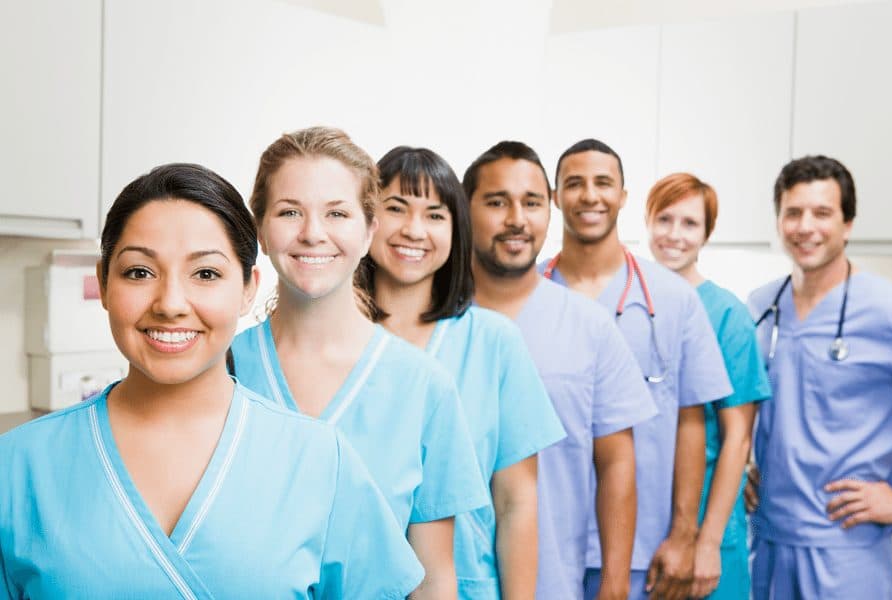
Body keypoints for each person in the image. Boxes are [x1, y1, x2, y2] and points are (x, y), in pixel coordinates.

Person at [0, 163, 424, 598]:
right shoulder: (17, 467)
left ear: (247, 289)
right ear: (104, 284)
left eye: (205, 274)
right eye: (139, 272)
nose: (170, 303)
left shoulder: (320, 462)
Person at [230, 127, 488, 598]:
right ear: (261, 230)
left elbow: (433, 579)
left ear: (369, 231)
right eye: (290, 212)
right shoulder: (223, 370)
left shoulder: (423, 388)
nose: (312, 233)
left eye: (337, 213)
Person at [358, 145, 566, 598]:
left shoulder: (493, 343)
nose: (414, 229)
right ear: (367, 219)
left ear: (457, 230)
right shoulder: (337, 341)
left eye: (435, 215)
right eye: (397, 208)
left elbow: (516, 503)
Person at [462, 140, 658, 599]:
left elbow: (616, 464)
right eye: (496, 202)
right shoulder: (433, 322)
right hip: (446, 580)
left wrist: (613, 584)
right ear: (464, 209)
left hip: (553, 580)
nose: (517, 219)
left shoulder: (589, 326)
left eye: (531, 203)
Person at [540, 139, 733, 600]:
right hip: (538, 542)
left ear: (623, 195)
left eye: (603, 183)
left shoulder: (673, 299)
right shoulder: (525, 295)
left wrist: (684, 534)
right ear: (554, 196)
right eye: (574, 184)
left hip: (641, 551)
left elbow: (691, 421)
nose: (590, 195)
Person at [746, 155, 892, 599]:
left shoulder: (886, 312)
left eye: (822, 213)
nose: (805, 226)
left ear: (848, 224)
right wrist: (742, 470)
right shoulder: (759, 308)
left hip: (847, 552)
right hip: (768, 544)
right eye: (793, 212)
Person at [644, 173, 771, 599]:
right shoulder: (633, 304)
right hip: (644, 521)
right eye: (664, 219)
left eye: (689, 223)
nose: (674, 235)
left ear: (707, 233)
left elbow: (737, 438)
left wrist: (709, 542)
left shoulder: (727, 315)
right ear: (647, 223)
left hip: (707, 525)